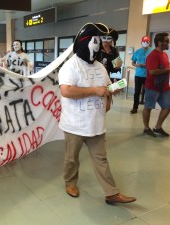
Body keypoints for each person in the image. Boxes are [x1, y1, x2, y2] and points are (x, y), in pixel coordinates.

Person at [58, 22, 136, 204]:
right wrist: (95, 91)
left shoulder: (100, 66)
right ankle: (70, 182)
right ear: (85, 42)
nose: (101, 45)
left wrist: (111, 93)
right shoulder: (70, 66)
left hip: (96, 123)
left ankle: (111, 193)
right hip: (74, 125)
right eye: (97, 40)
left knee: (101, 159)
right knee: (72, 159)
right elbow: (66, 91)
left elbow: (106, 86)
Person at [142, 32, 170, 137]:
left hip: (165, 87)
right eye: (167, 41)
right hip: (152, 87)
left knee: (168, 106)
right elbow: (152, 72)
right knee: (148, 107)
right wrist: (168, 70)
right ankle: (146, 128)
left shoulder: (165, 54)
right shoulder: (152, 55)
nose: (169, 43)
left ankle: (158, 127)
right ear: (159, 43)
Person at [130, 36, 153, 114]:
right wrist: (137, 65)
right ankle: (135, 107)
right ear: (141, 42)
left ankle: (147, 108)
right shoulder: (137, 51)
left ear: (149, 42)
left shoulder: (152, 51)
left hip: (148, 75)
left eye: (147, 42)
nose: (145, 43)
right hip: (138, 75)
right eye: (144, 42)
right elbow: (132, 62)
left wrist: (149, 66)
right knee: (137, 92)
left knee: (147, 92)